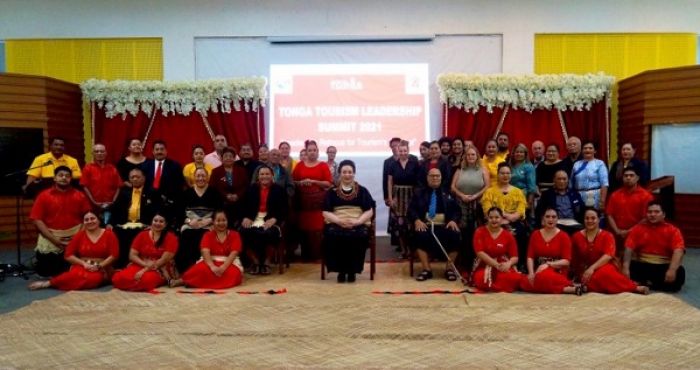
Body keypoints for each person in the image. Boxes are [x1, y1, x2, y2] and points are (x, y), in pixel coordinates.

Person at [28, 211, 119, 291]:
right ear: (83, 223)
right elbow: (68, 255)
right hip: (83, 265)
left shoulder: (109, 234)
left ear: (99, 220)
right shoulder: (79, 235)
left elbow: (114, 255)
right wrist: (84, 264)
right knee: (75, 274)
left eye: (92, 218)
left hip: (103, 268)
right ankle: (49, 283)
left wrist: (99, 266)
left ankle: (58, 283)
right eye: (86, 220)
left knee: (93, 278)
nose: (90, 221)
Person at [29, 166, 91, 277]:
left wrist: (77, 239)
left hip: (76, 234)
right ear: (55, 178)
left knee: (74, 269)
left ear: (71, 179)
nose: (64, 178)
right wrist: (55, 240)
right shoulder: (43, 196)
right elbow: (36, 220)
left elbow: (88, 217)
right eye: (60, 175)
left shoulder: (79, 195)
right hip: (51, 235)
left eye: (67, 176)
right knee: (46, 272)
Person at [572, 208, 649, 294]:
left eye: (593, 218)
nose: (590, 221)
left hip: (605, 265)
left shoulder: (607, 235)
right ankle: (630, 285)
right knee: (591, 278)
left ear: (599, 219)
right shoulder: (576, 236)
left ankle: (634, 288)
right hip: (586, 269)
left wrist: (592, 268)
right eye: (587, 218)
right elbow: (575, 258)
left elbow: (608, 255)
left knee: (604, 274)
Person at [322, 160, 374, 283]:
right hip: (336, 222)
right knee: (332, 235)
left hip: (358, 223)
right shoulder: (332, 192)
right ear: (340, 173)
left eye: (350, 172)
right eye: (344, 172)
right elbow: (325, 212)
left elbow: (369, 211)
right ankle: (340, 270)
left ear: (354, 173)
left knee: (358, 235)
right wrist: (339, 221)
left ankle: (352, 271)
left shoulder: (362, 191)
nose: (347, 175)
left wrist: (358, 222)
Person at [408, 168, 461, 282]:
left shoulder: (449, 192)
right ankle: (427, 270)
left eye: (437, 176)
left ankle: (449, 269)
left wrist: (453, 220)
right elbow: (411, 210)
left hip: (444, 225)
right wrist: (417, 220)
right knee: (419, 235)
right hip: (426, 224)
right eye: (432, 176)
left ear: (441, 177)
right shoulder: (419, 192)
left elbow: (457, 210)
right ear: (427, 178)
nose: (435, 178)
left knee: (455, 235)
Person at [623, 201, 686, 292]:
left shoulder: (673, 230)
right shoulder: (638, 228)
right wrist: (625, 268)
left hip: (662, 266)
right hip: (643, 264)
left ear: (663, 214)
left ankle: (643, 283)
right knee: (623, 266)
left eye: (656, 212)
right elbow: (628, 248)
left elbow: (678, 250)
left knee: (679, 273)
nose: (652, 214)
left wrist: (672, 270)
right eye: (649, 212)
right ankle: (651, 284)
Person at [107, 168, 161, 268]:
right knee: (117, 233)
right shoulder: (124, 192)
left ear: (144, 178)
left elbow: (158, 211)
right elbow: (115, 210)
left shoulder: (152, 192)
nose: (135, 179)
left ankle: (140, 265)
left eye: (137, 177)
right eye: (132, 177)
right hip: (125, 224)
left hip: (145, 224)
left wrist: (152, 225)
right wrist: (110, 223)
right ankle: (122, 267)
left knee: (139, 234)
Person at [111, 213, 179, 291]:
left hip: (160, 267)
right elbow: (132, 255)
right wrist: (145, 264)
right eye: (155, 220)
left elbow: (163, 260)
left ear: (166, 224)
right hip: (141, 263)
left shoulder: (171, 238)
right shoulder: (142, 235)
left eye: (161, 221)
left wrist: (144, 270)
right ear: (151, 222)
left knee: (146, 280)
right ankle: (133, 284)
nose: (157, 223)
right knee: (118, 278)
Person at [519, 208, 580, 295]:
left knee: (543, 277)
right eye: (547, 217)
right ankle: (566, 287)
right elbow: (530, 257)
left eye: (553, 217)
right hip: (538, 270)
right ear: (543, 219)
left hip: (557, 270)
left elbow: (566, 261)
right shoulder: (535, 234)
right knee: (523, 281)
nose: (550, 219)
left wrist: (548, 264)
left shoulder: (564, 236)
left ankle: (566, 289)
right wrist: (531, 273)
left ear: (557, 219)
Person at [241, 165, 287, 275]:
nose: (264, 176)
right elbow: (242, 206)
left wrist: (275, 219)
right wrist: (245, 217)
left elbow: (285, 209)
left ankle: (266, 262)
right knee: (243, 232)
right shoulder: (251, 188)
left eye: (267, 174)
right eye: (262, 174)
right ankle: (255, 262)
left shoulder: (279, 190)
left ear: (272, 176)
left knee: (269, 233)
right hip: (253, 218)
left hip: (271, 218)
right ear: (258, 176)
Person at [481, 163, 528, 268]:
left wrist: (508, 217)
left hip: (513, 222)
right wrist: (500, 219)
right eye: (502, 173)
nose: (505, 175)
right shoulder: (489, 192)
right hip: (493, 222)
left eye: (508, 173)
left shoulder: (518, 192)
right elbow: (487, 210)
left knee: (521, 232)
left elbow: (520, 210)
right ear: (498, 175)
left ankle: (518, 264)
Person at [292, 140, 333, 261]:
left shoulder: (323, 166)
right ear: (306, 151)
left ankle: (318, 257)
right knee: (304, 229)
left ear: (318, 152)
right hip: (303, 205)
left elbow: (328, 183)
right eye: (310, 150)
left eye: (314, 150)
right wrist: (301, 182)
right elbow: (293, 182)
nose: (312, 152)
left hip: (318, 205)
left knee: (318, 230)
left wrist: (315, 182)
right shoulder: (299, 165)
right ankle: (306, 257)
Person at [180, 210, 243, 289]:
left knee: (233, 274)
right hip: (210, 261)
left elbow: (234, 253)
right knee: (199, 270)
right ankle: (188, 281)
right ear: (213, 222)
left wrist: (223, 267)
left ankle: (192, 282)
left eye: (224, 220)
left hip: (229, 263)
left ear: (227, 221)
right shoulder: (208, 235)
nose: (221, 223)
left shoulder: (235, 235)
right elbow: (205, 252)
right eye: (218, 221)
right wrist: (212, 267)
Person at [450, 145, 489, 271]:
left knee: (476, 232)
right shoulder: (459, 170)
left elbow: (487, 186)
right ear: (465, 157)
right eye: (468, 155)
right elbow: (453, 187)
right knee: (463, 233)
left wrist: (474, 196)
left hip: (477, 204)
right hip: (461, 204)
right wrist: (462, 196)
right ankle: (462, 262)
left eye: (473, 154)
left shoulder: (483, 170)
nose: (470, 157)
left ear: (477, 156)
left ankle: (476, 260)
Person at [176, 168, 223, 272]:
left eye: (203, 176)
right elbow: (178, 212)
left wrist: (211, 220)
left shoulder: (215, 192)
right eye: (198, 176)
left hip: (209, 224)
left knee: (205, 236)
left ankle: (204, 268)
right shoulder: (186, 193)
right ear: (194, 177)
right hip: (190, 224)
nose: (200, 178)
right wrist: (189, 221)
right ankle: (187, 270)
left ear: (208, 178)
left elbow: (220, 210)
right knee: (187, 235)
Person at [471, 207, 522, 292]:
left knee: (514, 278)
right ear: (487, 218)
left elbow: (515, 257)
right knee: (483, 279)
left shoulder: (508, 235)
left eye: (497, 217)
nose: (494, 220)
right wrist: (496, 265)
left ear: (502, 219)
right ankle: (499, 286)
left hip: (503, 265)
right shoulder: (479, 232)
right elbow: (479, 253)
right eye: (491, 217)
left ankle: (497, 285)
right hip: (484, 264)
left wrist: (508, 264)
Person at [606, 167, 654, 253]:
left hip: (637, 234)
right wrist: (617, 231)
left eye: (631, 175)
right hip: (616, 233)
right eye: (626, 176)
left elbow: (646, 218)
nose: (628, 178)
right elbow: (609, 214)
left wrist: (628, 232)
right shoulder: (615, 195)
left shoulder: (646, 196)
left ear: (637, 178)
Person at [387, 140, 421, 258]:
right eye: (400, 151)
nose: (403, 153)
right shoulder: (393, 164)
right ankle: (403, 250)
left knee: (411, 225)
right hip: (398, 197)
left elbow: (418, 181)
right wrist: (391, 197)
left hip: (411, 196)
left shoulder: (414, 163)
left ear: (408, 150)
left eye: (405, 150)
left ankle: (412, 251)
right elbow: (390, 181)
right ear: (398, 151)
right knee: (400, 226)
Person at [80, 143, 122, 220]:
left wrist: (113, 201)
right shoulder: (88, 168)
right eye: (97, 151)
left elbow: (118, 186)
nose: (99, 153)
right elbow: (84, 187)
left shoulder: (112, 168)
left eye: (102, 151)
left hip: (110, 205)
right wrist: (94, 202)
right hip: (93, 205)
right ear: (92, 153)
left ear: (106, 153)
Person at [209, 147, 249, 227]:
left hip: (239, 203)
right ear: (221, 158)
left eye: (230, 156)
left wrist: (237, 195)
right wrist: (226, 195)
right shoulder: (216, 171)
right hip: (222, 204)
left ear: (234, 158)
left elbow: (246, 186)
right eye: (226, 156)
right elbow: (213, 188)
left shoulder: (242, 170)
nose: (228, 158)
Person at [143, 140, 185, 215]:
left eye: (162, 149)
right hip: (149, 203)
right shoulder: (145, 165)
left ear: (166, 151)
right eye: (157, 149)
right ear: (153, 151)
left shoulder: (175, 166)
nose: (159, 152)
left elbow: (179, 185)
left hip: (168, 204)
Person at [570, 141, 608, 210]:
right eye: (585, 148)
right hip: (579, 196)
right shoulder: (576, 164)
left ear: (595, 151)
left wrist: (602, 201)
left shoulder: (599, 164)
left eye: (590, 148)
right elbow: (571, 183)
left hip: (595, 196)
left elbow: (604, 184)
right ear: (582, 151)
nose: (587, 150)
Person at [508, 143, 537, 214]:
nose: (519, 154)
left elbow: (532, 187)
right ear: (513, 153)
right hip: (510, 197)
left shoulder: (529, 167)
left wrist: (529, 202)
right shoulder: (510, 166)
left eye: (521, 152)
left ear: (525, 154)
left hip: (524, 197)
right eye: (517, 152)